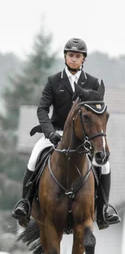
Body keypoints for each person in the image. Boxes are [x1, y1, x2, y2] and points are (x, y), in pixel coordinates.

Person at [12, 37, 121, 230]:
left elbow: (97, 114)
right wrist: (50, 132)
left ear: (83, 59)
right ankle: (25, 204)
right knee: (34, 156)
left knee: (104, 165)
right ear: (65, 57)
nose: (73, 59)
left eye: (77, 56)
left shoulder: (93, 83)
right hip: (56, 134)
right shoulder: (54, 81)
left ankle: (104, 210)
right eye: (70, 55)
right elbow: (42, 110)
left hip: (84, 139)